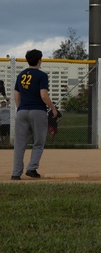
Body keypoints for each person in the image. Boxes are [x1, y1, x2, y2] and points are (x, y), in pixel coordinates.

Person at [11, 49, 59, 180]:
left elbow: (16, 95)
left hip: (22, 111)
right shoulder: (41, 75)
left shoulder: (21, 75)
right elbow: (43, 95)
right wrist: (53, 108)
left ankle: (16, 173)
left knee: (20, 144)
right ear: (39, 60)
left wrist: (20, 107)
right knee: (38, 142)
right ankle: (31, 168)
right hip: (38, 111)